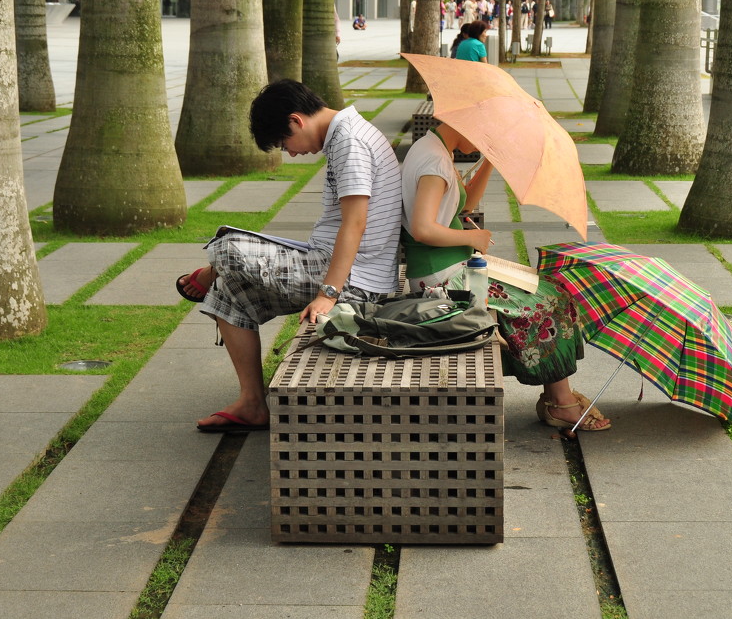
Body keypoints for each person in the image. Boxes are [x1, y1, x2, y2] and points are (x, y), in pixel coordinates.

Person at [177, 80, 403, 432]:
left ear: (297, 121)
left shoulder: (350, 142)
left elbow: (355, 224)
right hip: (331, 264)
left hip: (354, 281)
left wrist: (328, 294)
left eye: (285, 143)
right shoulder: (347, 134)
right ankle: (252, 404)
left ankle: (206, 273)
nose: (291, 152)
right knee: (228, 295)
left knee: (226, 248)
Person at [400, 122, 610, 432]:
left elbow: (465, 205)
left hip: (452, 267)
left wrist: (489, 161)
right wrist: (471, 239)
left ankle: (556, 397)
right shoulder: (434, 163)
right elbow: (422, 228)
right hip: (442, 279)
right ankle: (560, 401)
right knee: (548, 300)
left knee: (547, 291)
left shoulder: (435, 149)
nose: (487, 137)